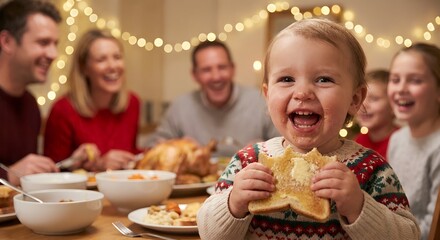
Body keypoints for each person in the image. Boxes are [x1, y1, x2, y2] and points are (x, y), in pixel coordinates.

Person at [197, 19, 420, 239]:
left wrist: (359, 206)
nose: (302, 92)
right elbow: (207, 233)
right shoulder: (248, 161)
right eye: (286, 79)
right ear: (267, 95)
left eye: (323, 79)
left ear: (354, 99)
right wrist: (234, 203)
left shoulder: (372, 169)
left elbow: (409, 235)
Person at [144, 40, 279, 157]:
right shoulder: (180, 107)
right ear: (195, 75)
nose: (216, 77)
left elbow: (289, 146)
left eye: (222, 67)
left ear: (232, 69)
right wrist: (178, 146)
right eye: (206, 70)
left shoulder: (261, 101)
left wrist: (266, 147)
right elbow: (151, 147)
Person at [44, 29, 141, 172]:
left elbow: (131, 152)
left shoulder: (132, 103)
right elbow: (51, 173)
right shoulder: (62, 110)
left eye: (117, 57)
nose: (113, 66)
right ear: (84, 69)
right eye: (101, 59)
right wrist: (96, 166)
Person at [0, 0, 61, 186]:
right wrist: (8, 175)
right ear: (7, 42)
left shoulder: (30, 104)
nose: (53, 54)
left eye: (55, 44)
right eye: (43, 42)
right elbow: (16, 173)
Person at [387, 42, 440, 240]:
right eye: (395, 79)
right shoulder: (397, 139)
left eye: (415, 80)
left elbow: (433, 230)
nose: (401, 89)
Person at [354, 69, 398, 160]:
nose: (364, 104)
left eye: (373, 99)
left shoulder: (402, 142)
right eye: (361, 99)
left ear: (393, 105)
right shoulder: (358, 142)